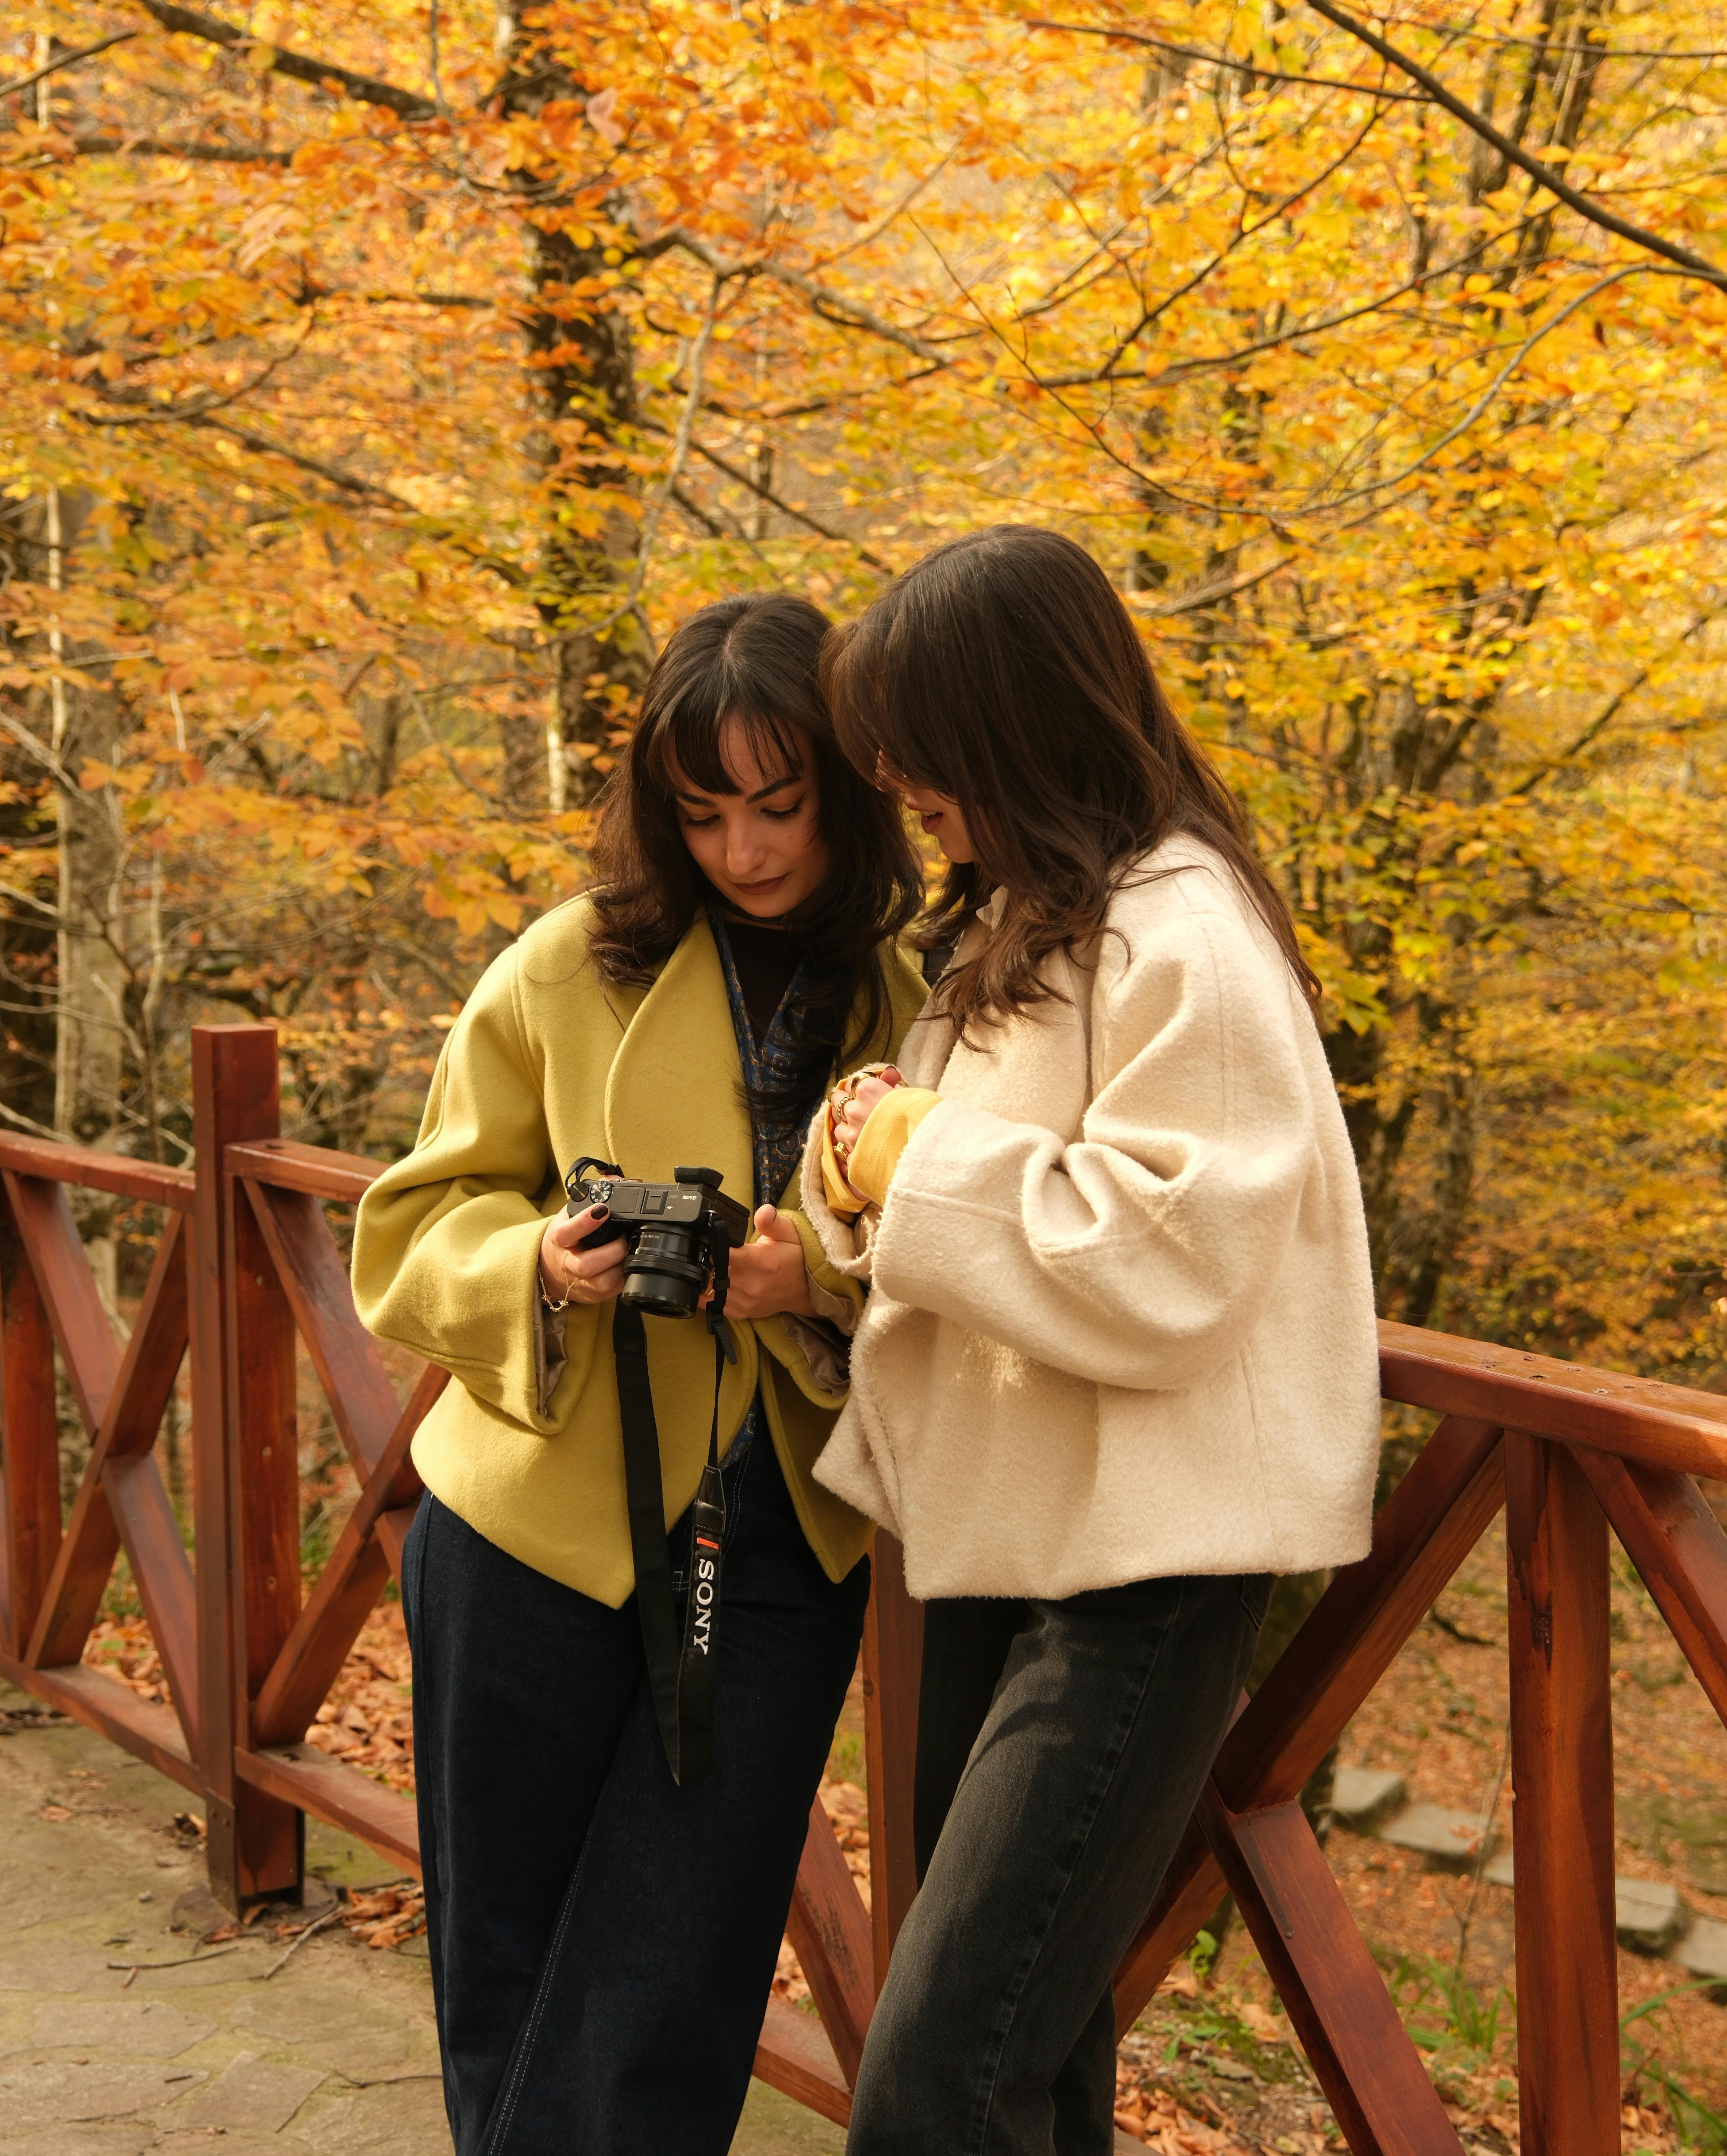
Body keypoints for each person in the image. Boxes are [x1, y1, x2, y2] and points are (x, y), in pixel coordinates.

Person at [800, 527, 1382, 2155]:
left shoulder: (1183, 929)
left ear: (1013, 722)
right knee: (1025, 2064)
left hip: (1143, 1571)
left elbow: (1170, 1256)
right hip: (1013, 1543)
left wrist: (905, 1156)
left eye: (917, 745)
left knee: (939, 2080)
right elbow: (946, 1190)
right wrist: (864, 1169)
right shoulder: (1035, 915)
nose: (896, 781)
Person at [350, 593, 926, 2156]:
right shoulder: (564, 967)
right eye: (704, 812)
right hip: (533, 1524)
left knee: (681, 1975)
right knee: (509, 1958)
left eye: (781, 805)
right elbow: (408, 1226)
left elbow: (946, 1261)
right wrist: (537, 1264)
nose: (746, 850)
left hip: (773, 1545)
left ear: (848, 787)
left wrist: (814, 1286)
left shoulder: (905, 996)